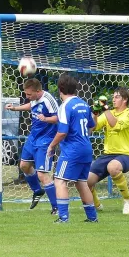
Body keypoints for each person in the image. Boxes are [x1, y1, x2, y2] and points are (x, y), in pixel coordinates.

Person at [47, 74, 97, 223]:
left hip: (73, 150)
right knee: (81, 182)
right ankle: (92, 217)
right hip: (86, 148)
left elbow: (62, 132)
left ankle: (63, 217)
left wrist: (51, 146)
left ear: (60, 89)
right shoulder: (83, 104)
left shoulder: (64, 107)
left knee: (59, 180)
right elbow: (92, 126)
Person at [5, 78, 59, 214]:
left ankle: (56, 207)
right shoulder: (34, 99)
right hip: (33, 138)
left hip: (46, 140)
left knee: (42, 174)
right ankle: (37, 191)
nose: (27, 97)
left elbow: (58, 118)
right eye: (26, 94)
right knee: (24, 165)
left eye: (29, 95)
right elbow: (31, 105)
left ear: (38, 91)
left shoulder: (48, 100)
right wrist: (16, 108)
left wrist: (46, 119)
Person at [87, 88, 129, 215]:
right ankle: (97, 205)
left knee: (113, 167)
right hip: (108, 154)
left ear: (125, 99)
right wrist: (95, 113)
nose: (113, 99)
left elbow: (115, 125)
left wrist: (106, 110)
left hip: (126, 154)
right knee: (86, 181)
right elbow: (91, 128)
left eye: (117, 97)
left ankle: (128, 199)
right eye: (113, 97)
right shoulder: (109, 113)